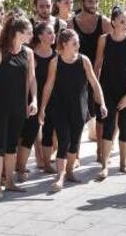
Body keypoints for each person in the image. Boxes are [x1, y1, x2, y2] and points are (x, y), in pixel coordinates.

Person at [0, 12, 37, 201]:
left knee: (12, 145)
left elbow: (32, 79)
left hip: (19, 105)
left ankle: (9, 181)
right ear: (18, 33)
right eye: (29, 32)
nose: (31, 35)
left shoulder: (28, 53)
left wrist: (33, 100)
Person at [39, 28, 107, 192]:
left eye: (78, 42)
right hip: (59, 107)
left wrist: (102, 103)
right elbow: (48, 85)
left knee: (75, 141)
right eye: (74, 43)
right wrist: (42, 108)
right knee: (64, 139)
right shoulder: (56, 62)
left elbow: (94, 82)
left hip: (79, 107)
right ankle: (60, 176)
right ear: (64, 45)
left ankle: (69, 171)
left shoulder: (84, 60)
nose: (78, 45)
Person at [94, 5, 126, 179]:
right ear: (113, 22)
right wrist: (96, 90)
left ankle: (123, 165)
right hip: (107, 89)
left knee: (125, 126)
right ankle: (104, 166)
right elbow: (97, 65)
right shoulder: (104, 40)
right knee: (108, 125)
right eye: (122, 21)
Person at [69, 0, 111, 145]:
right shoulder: (72, 23)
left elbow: (112, 48)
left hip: (100, 75)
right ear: (81, 2)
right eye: (90, 1)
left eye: (96, 2)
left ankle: (100, 152)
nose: (94, 5)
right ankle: (75, 154)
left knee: (101, 115)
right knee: (78, 116)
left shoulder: (104, 22)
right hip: (78, 76)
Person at [17, 21, 57, 178]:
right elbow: (27, 80)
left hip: (53, 100)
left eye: (53, 32)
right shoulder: (31, 54)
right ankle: (20, 168)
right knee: (29, 133)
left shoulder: (56, 56)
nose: (53, 35)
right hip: (32, 100)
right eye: (49, 33)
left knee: (49, 132)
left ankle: (47, 164)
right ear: (40, 36)